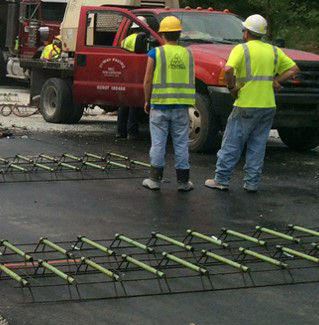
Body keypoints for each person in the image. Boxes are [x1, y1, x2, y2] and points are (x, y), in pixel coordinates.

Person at [205, 14, 298, 193]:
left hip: (246, 104)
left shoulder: (242, 49)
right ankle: (252, 183)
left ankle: (222, 179)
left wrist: (231, 87)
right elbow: (294, 69)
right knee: (258, 145)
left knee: (232, 142)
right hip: (268, 105)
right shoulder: (273, 50)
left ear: (246, 32)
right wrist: (276, 81)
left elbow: (228, 69)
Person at [142, 16, 195, 191]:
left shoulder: (155, 53)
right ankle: (183, 182)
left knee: (158, 143)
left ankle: (155, 180)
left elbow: (147, 80)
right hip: (181, 106)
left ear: (162, 34)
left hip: (160, 105)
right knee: (181, 143)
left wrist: (147, 100)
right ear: (178, 34)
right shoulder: (188, 54)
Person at [117, 29, 146, 139]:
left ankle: (120, 131)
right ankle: (132, 131)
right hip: (135, 70)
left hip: (125, 70)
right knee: (133, 103)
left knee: (124, 103)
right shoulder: (140, 38)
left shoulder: (125, 39)